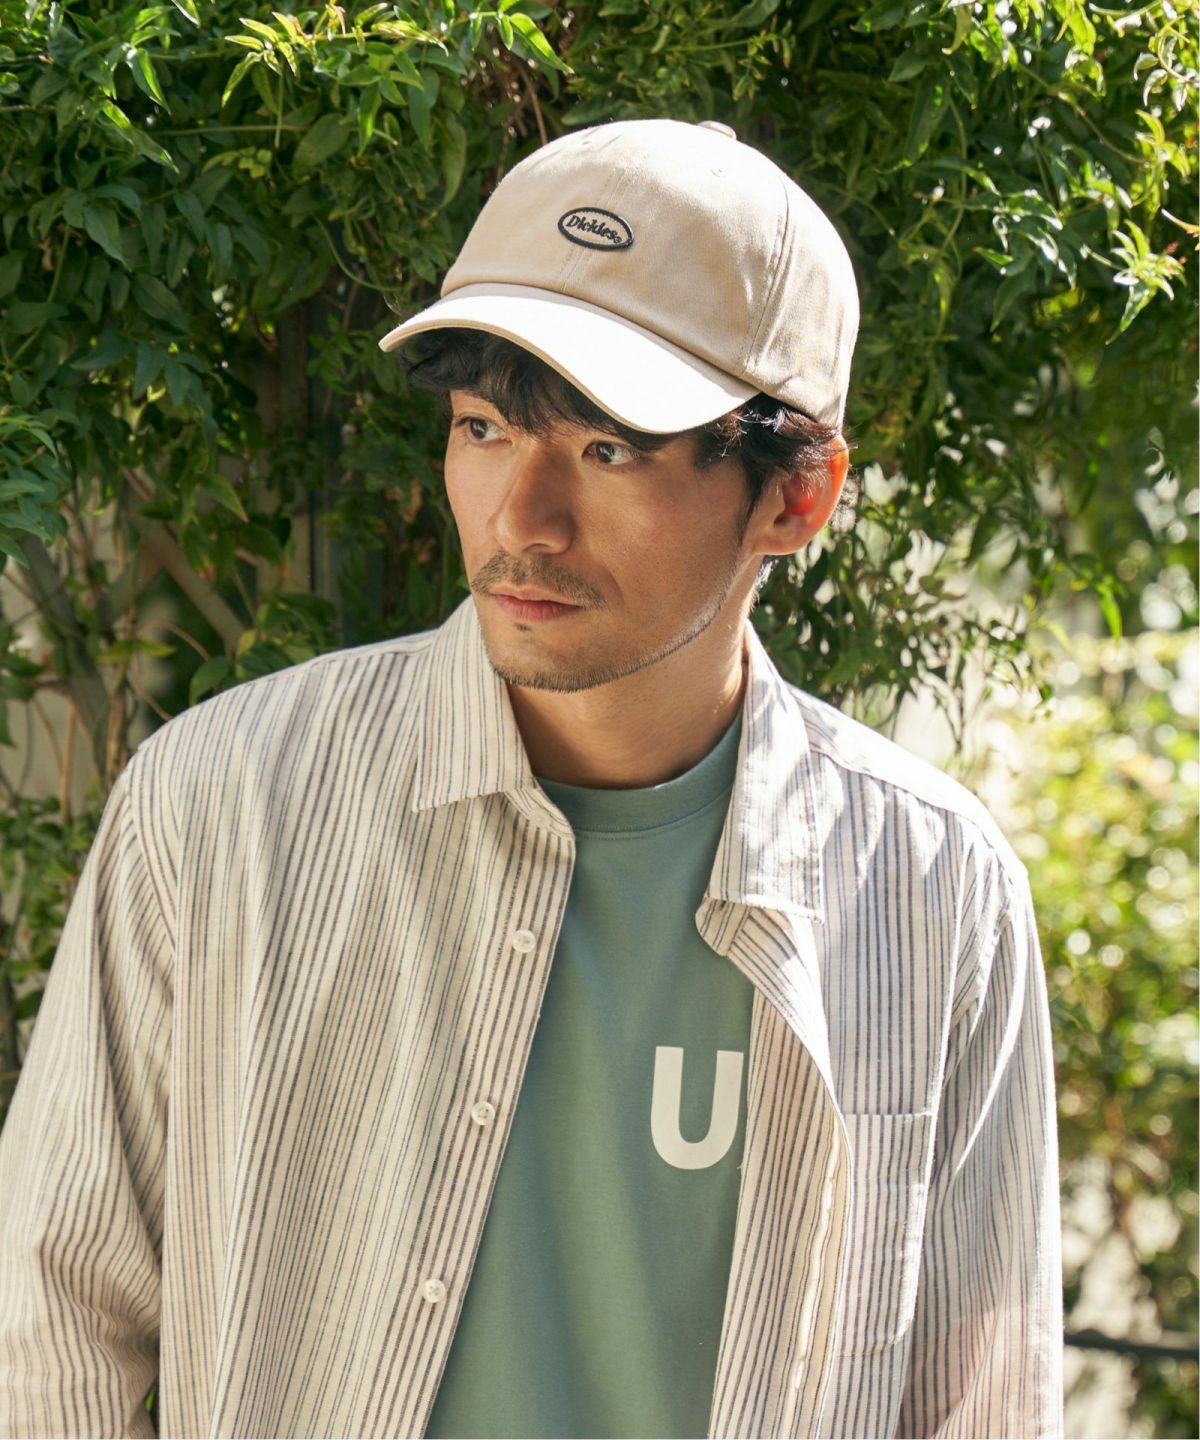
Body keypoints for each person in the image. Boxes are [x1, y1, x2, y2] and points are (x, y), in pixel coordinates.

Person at [0, 117, 1062, 1439]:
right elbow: (44, 1334)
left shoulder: (930, 890)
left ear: (794, 498)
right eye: (487, 427)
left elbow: (985, 1402)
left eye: (608, 450)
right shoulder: (221, 807)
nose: (523, 519)